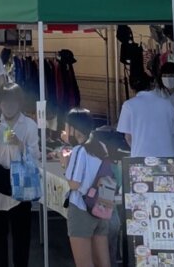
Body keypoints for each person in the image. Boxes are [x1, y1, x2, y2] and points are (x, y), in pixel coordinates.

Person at [0, 84, 39, 267]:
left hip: (20, 189)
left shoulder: (29, 124)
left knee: (21, 240)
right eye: (4, 101)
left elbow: (35, 156)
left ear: (19, 103)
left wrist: (18, 143)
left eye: (12, 101)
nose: (8, 105)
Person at [62, 108, 111, 267]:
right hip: (102, 205)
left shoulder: (78, 150)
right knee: (102, 262)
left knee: (84, 263)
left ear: (73, 128)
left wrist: (65, 164)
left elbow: (74, 184)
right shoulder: (101, 146)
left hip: (81, 208)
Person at [117, 74, 174, 158]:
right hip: (166, 157)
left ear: (133, 89)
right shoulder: (167, 104)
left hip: (140, 157)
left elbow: (128, 137)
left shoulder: (128, 105)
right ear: (151, 85)